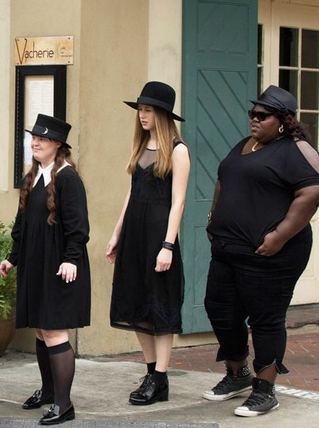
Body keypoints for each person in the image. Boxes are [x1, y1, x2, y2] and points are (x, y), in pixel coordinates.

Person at [202, 85, 319, 417]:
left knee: (265, 319)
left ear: (284, 121)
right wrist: (214, 217)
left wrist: (280, 235)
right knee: (219, 310)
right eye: (252, 114)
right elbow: (224, 178)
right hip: (229, 249)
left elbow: (317, 192)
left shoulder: (296, 149)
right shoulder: (246, 145)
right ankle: (237, 374)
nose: (254, 120)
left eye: (263, 115)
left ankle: (265, 389)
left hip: (271, 254)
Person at [0, 114, 91, 426]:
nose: (35, 142)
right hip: (36, 263)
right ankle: (50, 391)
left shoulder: (67, 178)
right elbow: (22, 223)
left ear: (58, 145)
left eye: (43, 139)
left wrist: (71, 259)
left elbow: (79, 227)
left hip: (60, 266)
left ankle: (64, 405)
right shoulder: (34, 176)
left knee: (54, 330)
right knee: (41, 328)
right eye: (33, 138)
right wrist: (13, 258)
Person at [106, 81, 190, 406]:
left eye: (148, 109)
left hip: (159, 235)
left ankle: (161, 379)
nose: (142, 115)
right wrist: (116, 233)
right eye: (140, 109)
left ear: (162, 113)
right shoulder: (140, 148)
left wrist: (168, 245)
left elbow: (179, 202)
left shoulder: (178, 150)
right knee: (137, 304)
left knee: (161, 306)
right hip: (134, 236)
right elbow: (132, 194)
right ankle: (151, 372)